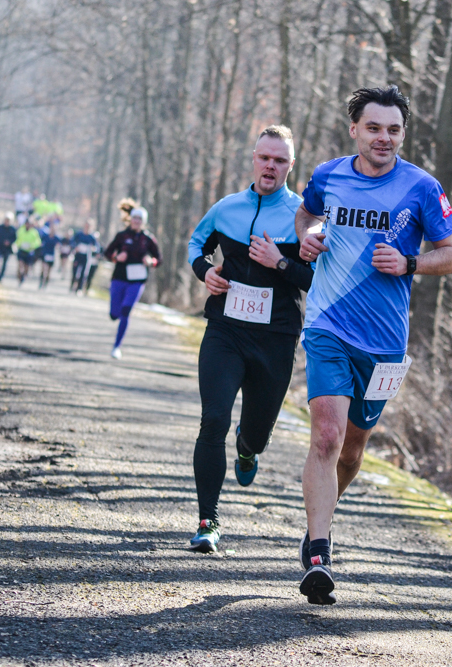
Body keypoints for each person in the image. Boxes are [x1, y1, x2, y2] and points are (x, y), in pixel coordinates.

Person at [294, 86, 452, 604]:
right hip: (327, 324)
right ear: (355, 130)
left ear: (402, 134)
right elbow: (306, 215)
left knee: (351, 449)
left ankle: (319, 520)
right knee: (325, 435)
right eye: (374, 128)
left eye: (393, 129)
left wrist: (411, 263)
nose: (384, 138)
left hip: (385, 340)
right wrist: (308, 235)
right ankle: (319, 552)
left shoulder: (421, 187)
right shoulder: (327, 175)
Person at [186, 125, 312, 554]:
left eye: (280, 160)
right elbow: (195, 245)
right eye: (264, 158)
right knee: (213, 420)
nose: (270, 166)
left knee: (254, 434)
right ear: (254, 159)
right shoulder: (226, 208)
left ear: (290, 166)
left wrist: (280, 263)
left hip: (276, 339)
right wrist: (207, 273)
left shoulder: (303, 218)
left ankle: (248, 446)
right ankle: (208, 521)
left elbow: (316, 279)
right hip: (225, 331)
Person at [103, 208, 161, 358]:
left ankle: (117, 347)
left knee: (126, 311)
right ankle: (115, 315)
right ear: (130, 219)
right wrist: (116, 257)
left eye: (140, 219)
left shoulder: (148, 239)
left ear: (143, 222)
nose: (137, 221)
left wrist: (151, 261)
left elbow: (158, 259)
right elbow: (107, 253)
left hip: (137, 281)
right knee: (114, 314)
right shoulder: (122, 236)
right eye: (135, 218)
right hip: (119, 278)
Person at [70, 222, 99, 293]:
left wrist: (93, 249)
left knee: (83, 273)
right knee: (75, 271)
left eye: (89, 226)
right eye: (86, 226)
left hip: (86, 257)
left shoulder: (92, 237)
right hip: (78, 255)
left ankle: (79, 288)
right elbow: (72, 242)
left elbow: (96, 247)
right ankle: (72, 286)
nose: (87, 228)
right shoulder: (79, 234)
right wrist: (75, 247)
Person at [14, 215, 43, 286]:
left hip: (29, 252)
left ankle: (24, 276)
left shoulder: (34, 232)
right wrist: (17, 245)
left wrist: (32, 246)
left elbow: (38, 242)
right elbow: (17, 239)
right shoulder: (21, 230)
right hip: (21, 250)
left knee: (26, 267)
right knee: (20, 265)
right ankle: (19, 277)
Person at [0, 214, 17, 282]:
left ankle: (0, 277)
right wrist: (1, 242)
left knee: (4, 264)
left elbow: (15, 238)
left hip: (7, 249)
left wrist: (9, 242)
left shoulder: (13, 229)